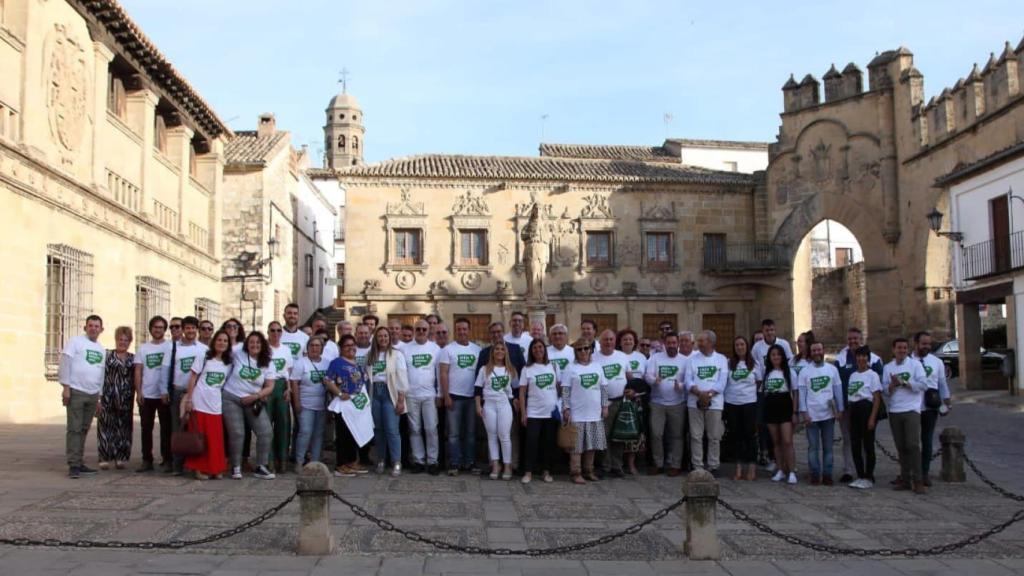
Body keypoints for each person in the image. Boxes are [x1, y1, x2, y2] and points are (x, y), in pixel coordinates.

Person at [223, 331, 277, 480]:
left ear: (263, 344)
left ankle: (261, 466)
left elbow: (270, 386)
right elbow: (224, 348)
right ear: (247, 344)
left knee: (266, 431)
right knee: (238, 433)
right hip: (231, 397)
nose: (255, 345)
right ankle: (235, 466)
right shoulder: (238, 353)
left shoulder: (268, 362)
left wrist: (257, 396)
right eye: (252, 342)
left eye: (258, 343)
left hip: (253, 400)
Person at [833, 327, 882, 483]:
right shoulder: (840, 359)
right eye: (850, 339)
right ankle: (849, 470)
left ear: (861, 339)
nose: (853, 341)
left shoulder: (874, 360)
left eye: (855, 338)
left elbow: (878, 388)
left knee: (866, 441)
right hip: (848, 408)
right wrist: (839, 407)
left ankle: (868, 472)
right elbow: (837, 385)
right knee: (849, 440)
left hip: (867, 408)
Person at [61, 315, 106, 478]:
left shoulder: (101, 349)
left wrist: (99, 397)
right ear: (85, 327)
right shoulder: (75, 342)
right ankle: (73, 464)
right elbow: (65, 362)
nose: (93, 328)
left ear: (101, 329)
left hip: (93, 394)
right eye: (91, 325)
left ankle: (79, 461)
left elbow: (101, 374)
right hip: (76, 391)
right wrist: (66, 387)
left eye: (97, 326)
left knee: (84, 429)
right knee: (74, 428)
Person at [183, 329, 231, 480]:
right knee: (199, 437)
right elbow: (192, 378)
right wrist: (189, 400)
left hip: (215, 404)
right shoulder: (203, 357)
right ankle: (198, 468)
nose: (222, 343)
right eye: (219, 340)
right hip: (199, 402)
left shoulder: (228, 363)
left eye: (225, 341)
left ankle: (215, 468)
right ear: (214, 341)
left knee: (215, 439)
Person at [882, 337, 929, 494]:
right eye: (898, 348)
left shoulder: (915, 365)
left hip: (911, 409)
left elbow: (923, 385)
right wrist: (892, 386)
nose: (901, 351)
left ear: (907, 350)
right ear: (893, 350)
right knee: (901, 446)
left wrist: (906, 383)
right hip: (895, 410)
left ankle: (918, 479)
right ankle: (905, 478)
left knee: (913, 445)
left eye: (904, 348)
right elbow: (885, 392)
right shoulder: (888, 368)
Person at [562, 338, 609, 484]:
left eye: (586, 348)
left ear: (591, 350)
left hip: (594, 412)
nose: (583, 351)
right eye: (579, 349)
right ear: (575, 352)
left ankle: (589, 470)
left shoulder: (597, 366)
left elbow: (603, 388)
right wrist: (566, 408)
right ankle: (576, 472)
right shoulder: (570, 368)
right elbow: (565, 390)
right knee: (576, 446)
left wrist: (605, 406)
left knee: (592, 445)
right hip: (577, 413)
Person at [440, 318, 482, 475]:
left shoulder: (477, 350)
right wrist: (446, 396)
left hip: (471, 398)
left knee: (471, 433)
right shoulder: (448, 350)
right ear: (455, 330)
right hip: (454, 397)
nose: (462, 332)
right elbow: (443, 374)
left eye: (464, 329)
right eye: (459, 329)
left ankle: (469, 462)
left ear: (469, 330)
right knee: (453, 434)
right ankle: (455, 462)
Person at [798, 341, 844, 485]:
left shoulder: (832, 370)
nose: (817, 353)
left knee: (828, 447)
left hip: (828, 415)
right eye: (814, 350)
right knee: (813, 447)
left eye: (819, 350)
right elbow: (802, 393)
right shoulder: (805, 371)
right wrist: (804, 413)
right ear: (810, 353)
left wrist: (840, 409)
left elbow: (837, 390)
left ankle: (827, 474)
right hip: (812, 415)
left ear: (823, 351)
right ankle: (815, 474)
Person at [644, 332, 688, 476]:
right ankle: (658, 463)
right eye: (668, 343)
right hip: (658, 403)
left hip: (677, 403)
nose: (671, 346)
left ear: (678, 344)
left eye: (674, 343)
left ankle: (675, 464)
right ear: (664, 344)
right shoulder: (655, 358)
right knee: (656, 434)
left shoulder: (685, 360)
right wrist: (653, 380)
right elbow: (648, 375)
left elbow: (689, 380)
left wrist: (680, 386)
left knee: (677, 435)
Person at [168, 317, 208, 475]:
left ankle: (194, 464)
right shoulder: (173, 348)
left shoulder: (203, 349)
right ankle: (177, 465)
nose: (190, 331)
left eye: (193, 328)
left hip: (197, 392)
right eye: (188, 328)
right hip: (178, 391)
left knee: (195, 428)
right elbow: (167, 370)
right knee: (178, 428)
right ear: (183, 329)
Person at [367, 326, 408, 476]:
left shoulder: (396, 355)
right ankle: (381, 460)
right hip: (375, 393)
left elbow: (402, 377)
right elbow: (366, 377)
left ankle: (396, 461)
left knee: (392, 429)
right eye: (380, 336)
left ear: (389, 338)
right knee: (378, 429)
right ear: (376, 339)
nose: (383, 339)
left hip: (390, 393)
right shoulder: (370, 356)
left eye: (385, 336)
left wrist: (401, 399)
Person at [326, 334, 369, 477]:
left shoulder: (357, 364)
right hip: (344, 404)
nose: (351, 348)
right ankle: (341, 465)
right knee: (343, 435)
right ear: (341, 348)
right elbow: (327, 381)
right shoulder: (336, 363)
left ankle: (351, 461)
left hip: (355, 406)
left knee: (353, 433)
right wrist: (339, 393)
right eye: (347, 345)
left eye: (353, 345)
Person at [912, 331, 951, 487]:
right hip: (912, 407)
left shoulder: (936, 362)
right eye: (924, 344)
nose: (927, 347)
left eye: (929, 344)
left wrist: (947, 402)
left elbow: (942, 384)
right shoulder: (908, 361)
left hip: (930, 406)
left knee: (927, 440)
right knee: (912, 443)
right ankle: (910, 471)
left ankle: (924, 472)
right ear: (916, 343)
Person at [134, 315, 173, 473]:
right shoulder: (143, 348)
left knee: (166, 428)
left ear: (165, 330)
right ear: (150, 329)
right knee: (146, 428)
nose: (158, 330)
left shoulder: (170, 347)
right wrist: (139, 391)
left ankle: (167, 459)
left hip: (163, 394)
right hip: (147, 394)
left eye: (161, 327)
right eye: (155, 327)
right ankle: (146, 459)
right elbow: (138, 370)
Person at [403, 319, 442, 475]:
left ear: (428, 331)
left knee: (431, 428)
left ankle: (433, 461)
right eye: (418, 329)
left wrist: (439, 393)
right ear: (414, 330)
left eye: (423, 329)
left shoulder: (435, 349)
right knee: (414, 429)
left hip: (429, 395)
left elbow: (439, 372)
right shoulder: (405, 349)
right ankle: (418, 460)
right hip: (411, 395)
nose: (420, 332)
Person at [687, 330, 728, 475]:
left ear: (710, 342)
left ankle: (713, 465)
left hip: (715, 404)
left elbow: (722, 382)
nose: (698, 343)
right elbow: (688, 380)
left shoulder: (721, 359)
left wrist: (709, 395)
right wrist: (699, 393)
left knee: (714, 436)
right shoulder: (692, 359)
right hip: (694, 403)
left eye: (701, 341)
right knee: (696, 435)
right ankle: (697, 465)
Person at [475, 340, 516, 480]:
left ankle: (507, 466)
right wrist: (478, 406)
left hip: (504, 404)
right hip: (489, 404)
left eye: (502, 349)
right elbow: (478, 389)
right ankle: (495, 465)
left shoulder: (510, 370)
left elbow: (514, 390)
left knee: (504, 436)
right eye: (496, 349)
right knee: (491, 436)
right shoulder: (484, 369)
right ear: (492, 352)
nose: (499, 351)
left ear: (506, 353)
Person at [519, 338, 558, 484]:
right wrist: (524, 412)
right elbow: (522, 393)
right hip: (534, 412)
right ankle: (528, 472)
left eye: (540, 347)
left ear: (545, 349)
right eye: (534, 348)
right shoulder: (527, 369)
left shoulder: (553, 366)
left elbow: (558, 388)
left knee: (548, 444)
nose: (538, 350)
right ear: (531, 351)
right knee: (531, 443)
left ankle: (546, 471)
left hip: (551, 412)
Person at [594, 329, 632, 478]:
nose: (608, 342)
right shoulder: (594, 358)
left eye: (611, 339)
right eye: (605, 340)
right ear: (600, 341)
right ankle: (605, 466)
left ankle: (617, 466)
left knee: (618, 436)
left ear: (615, 341)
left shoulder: (622, 356)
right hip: (602, 403)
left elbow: (629, 377)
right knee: (603, 435)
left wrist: (631, 390)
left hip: (620, 401)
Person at [290, 336, 331, 470]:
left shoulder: (327, 363)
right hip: (305, 403)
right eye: (312, 345)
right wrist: (297, 402)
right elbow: (294, 382)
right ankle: (299, 461)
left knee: (318, 433)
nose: (314, 348)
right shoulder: (301, 363)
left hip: (322, 404)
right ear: (307, 348)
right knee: (305, 432)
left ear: (322, 348)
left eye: (317, 345)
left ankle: (315, 461)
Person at [97, 326, 134, 470]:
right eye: (120, 339)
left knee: (124, 428)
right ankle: (104, 457)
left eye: (126, 340)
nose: (122, 342)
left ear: (130, 342)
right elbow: (100, 375)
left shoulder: (133, 358)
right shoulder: (107, 355)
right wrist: (98, 397)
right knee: (105, 427)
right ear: (116, 340)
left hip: (126, 398)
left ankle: (120, 457)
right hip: (108, 396)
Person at [846, 346, 882, 489]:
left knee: (868, 445)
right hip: (854, 409)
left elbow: (877, 398)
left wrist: (872, 418)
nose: (861, 359)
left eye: (864, 356)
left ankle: (869, 476)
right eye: (859, 356)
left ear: (868, 358)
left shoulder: (872, 375)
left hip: (866, 408)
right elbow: (850, 398)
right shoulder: (853, 376)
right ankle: (860, 475)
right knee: (855, 445)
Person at [725, 335, 760, 481]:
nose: (740, 347)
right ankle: (738, 468)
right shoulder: (728, 363)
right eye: (737, 345)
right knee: (735, 436)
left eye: (742, 344)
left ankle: (752, 467)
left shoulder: (755, 364)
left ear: (747, 347)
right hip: (732, 403)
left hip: (749, 403)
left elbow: (759, 382)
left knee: (750, 435)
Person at [762, 345, 798, 484]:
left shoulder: (789, 373)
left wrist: (794, 412)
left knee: (787, 441)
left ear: (782, 356)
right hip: (771, 405)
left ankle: (792, 470)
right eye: (773, 355)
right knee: (776, 442)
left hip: (785, 406)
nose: (776, 357)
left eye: (778, 354)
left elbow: (795, 393)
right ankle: (780, 469)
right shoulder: (768, 373)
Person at [617, 328, 649, 476]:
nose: (628, 341)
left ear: (635, 341)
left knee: (635, 432)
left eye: (630, 339)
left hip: (637, 399)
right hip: (620, 398)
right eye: (625, 339)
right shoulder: (617, 356)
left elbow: (646, 380)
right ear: (620, 342)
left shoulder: (641, 357)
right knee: (620, 431)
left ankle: (631, 463)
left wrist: (636, 392)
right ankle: (619, 463)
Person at [266, 321, 294, 474]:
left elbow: (288, 371)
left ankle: (282, 459)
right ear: (268, 332)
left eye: (278, 330)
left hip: (282, 386)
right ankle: (269, 459)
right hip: (268, 385)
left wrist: (289, 389)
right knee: (267, 424)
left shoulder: (286, 350)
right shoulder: (264, 348)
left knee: (284, 423)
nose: (276, 333)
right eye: (272, 330)